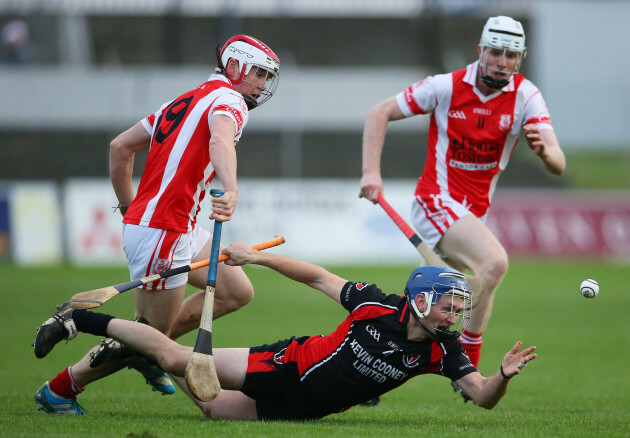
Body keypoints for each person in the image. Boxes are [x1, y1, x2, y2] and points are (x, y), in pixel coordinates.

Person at [33, 35, 281, 415]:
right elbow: (220, 140)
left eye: (267, 77)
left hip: (175, 226)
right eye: (259, 75)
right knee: (150, 335)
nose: (263, 85)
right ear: (233, 68)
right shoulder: (230, 101)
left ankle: (148, 355)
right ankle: (61, 389)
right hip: (165, 230)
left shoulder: (182, 101)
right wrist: (230, 188)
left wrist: (130, 208)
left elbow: (120, 147)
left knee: (236, 290)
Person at [34, 241, 537, 420]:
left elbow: (481, 396)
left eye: (458, 309)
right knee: (174, 360)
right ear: (422, 299)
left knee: (209, 407)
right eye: (450, 307)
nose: (456, 316)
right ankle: (80, 318)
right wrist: (258, 258)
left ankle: (147, 352)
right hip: (283, 366)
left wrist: (502, 376)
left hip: (302, 409)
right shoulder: (374, 305)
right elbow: (317, 276)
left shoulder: (441, 352)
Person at [359, 15, 564, 388]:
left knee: (422, 309)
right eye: (495, 52)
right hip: (434, 201)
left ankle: (365, 368)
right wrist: (371, 171)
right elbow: (379, 112)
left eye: (511, 55)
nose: (502, 61)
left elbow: (558, 161)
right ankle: (468, 368)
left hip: (471, 214)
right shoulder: (446, 86)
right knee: (494, 263)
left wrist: (544, 152)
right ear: (480, 51)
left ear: (521, 59)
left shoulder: (525, 96)